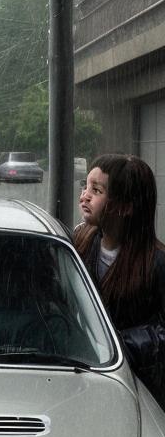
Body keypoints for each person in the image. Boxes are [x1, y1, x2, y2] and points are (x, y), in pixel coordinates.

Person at [75, 153, 165, 406]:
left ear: (126, 207)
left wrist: (116, 345)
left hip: (137, 390)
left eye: (97, 190)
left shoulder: (156, 264)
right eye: (85, 186)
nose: (85, 195)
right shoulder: (78, 244)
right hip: (85, 381)